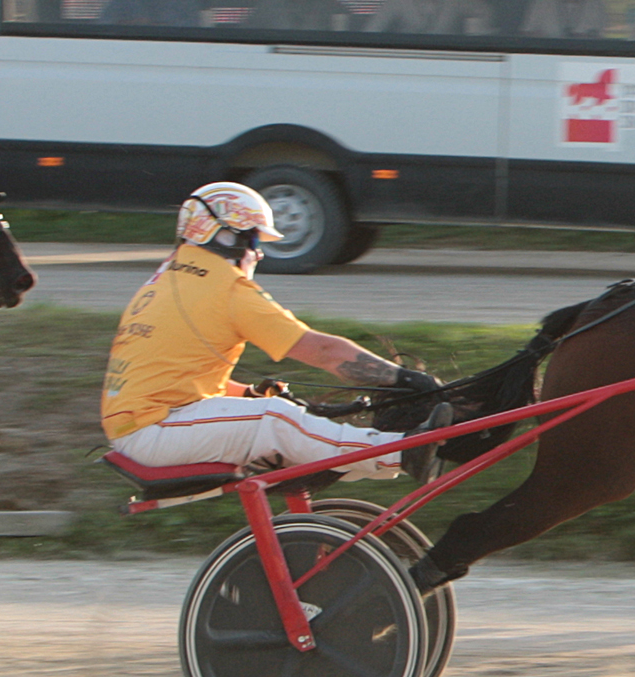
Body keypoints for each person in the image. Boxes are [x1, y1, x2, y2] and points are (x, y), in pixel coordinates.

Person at [102, 182, 452, 483]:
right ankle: (399, 453)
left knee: (274, 416)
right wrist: (400, 378)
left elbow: (176, 377)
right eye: (254, 240)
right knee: (274, 418)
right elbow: (321, 351)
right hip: (153, 432)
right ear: (226, 235)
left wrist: (248, 393)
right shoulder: (225, 288)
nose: (257, 253)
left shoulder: (165, 281)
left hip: (147, 426)